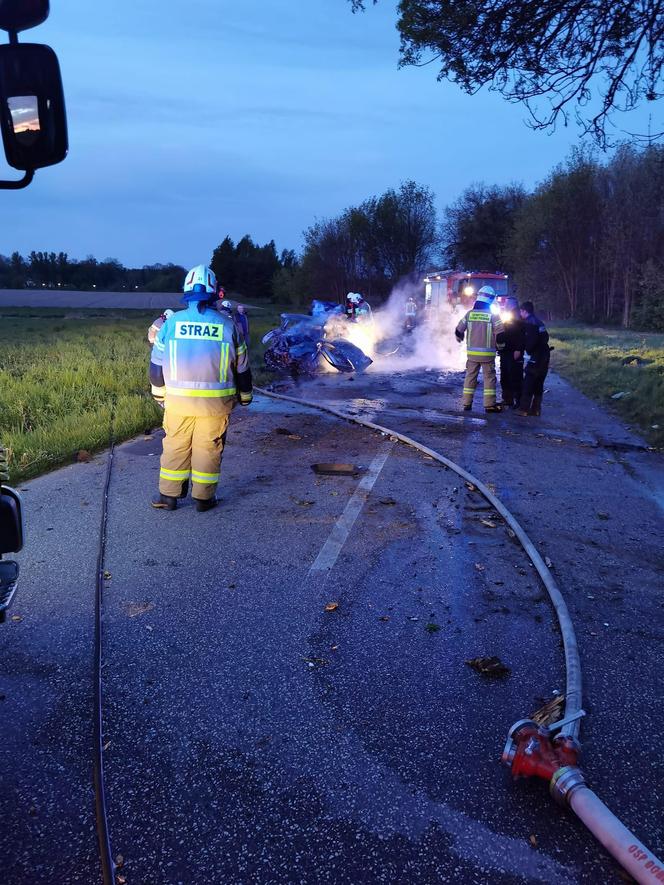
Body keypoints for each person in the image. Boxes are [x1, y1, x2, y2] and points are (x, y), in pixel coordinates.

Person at [149, 264, 252, 512]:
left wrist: (159, 395)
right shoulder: (228, 326)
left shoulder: (171, 324)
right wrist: (246, 397)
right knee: (209, 448)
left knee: (175, 445)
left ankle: (168, 497)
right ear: (214, 292)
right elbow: (242, 368)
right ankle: (204, 499)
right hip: (215, 406)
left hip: (177, 403)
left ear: (186, 291)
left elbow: (155, 367)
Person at [454, 285, 506, 413]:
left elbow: (458, 330)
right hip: (487, 356)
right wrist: (501, 348)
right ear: (491, 299)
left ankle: (466, 404)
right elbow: (500, 335)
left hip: (472, 355)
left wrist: (460, 338)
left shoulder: (469, 314)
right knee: (489, 379)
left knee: (470, 378)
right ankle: (489, 405)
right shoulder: (493, 316)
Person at [515, 300, 550, 417]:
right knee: (539, 383)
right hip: (545, 356)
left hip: (536, 357)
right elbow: (546, 337)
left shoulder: (530, 323)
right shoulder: (539, 322)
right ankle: (536, 409)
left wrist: (525, 349)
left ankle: (523, 409)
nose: (520, 314)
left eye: (521, 311)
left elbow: (530, 343)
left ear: (524, 311)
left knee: (528, 382)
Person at [498, 296, 525, 408]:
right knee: (505, 376)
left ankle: (519, 400)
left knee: (515, 377)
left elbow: (521, 336)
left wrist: (519, 349)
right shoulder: (505, 316)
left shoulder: (519, 318)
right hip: (505, 352)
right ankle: (507, 399)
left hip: (514, 352)